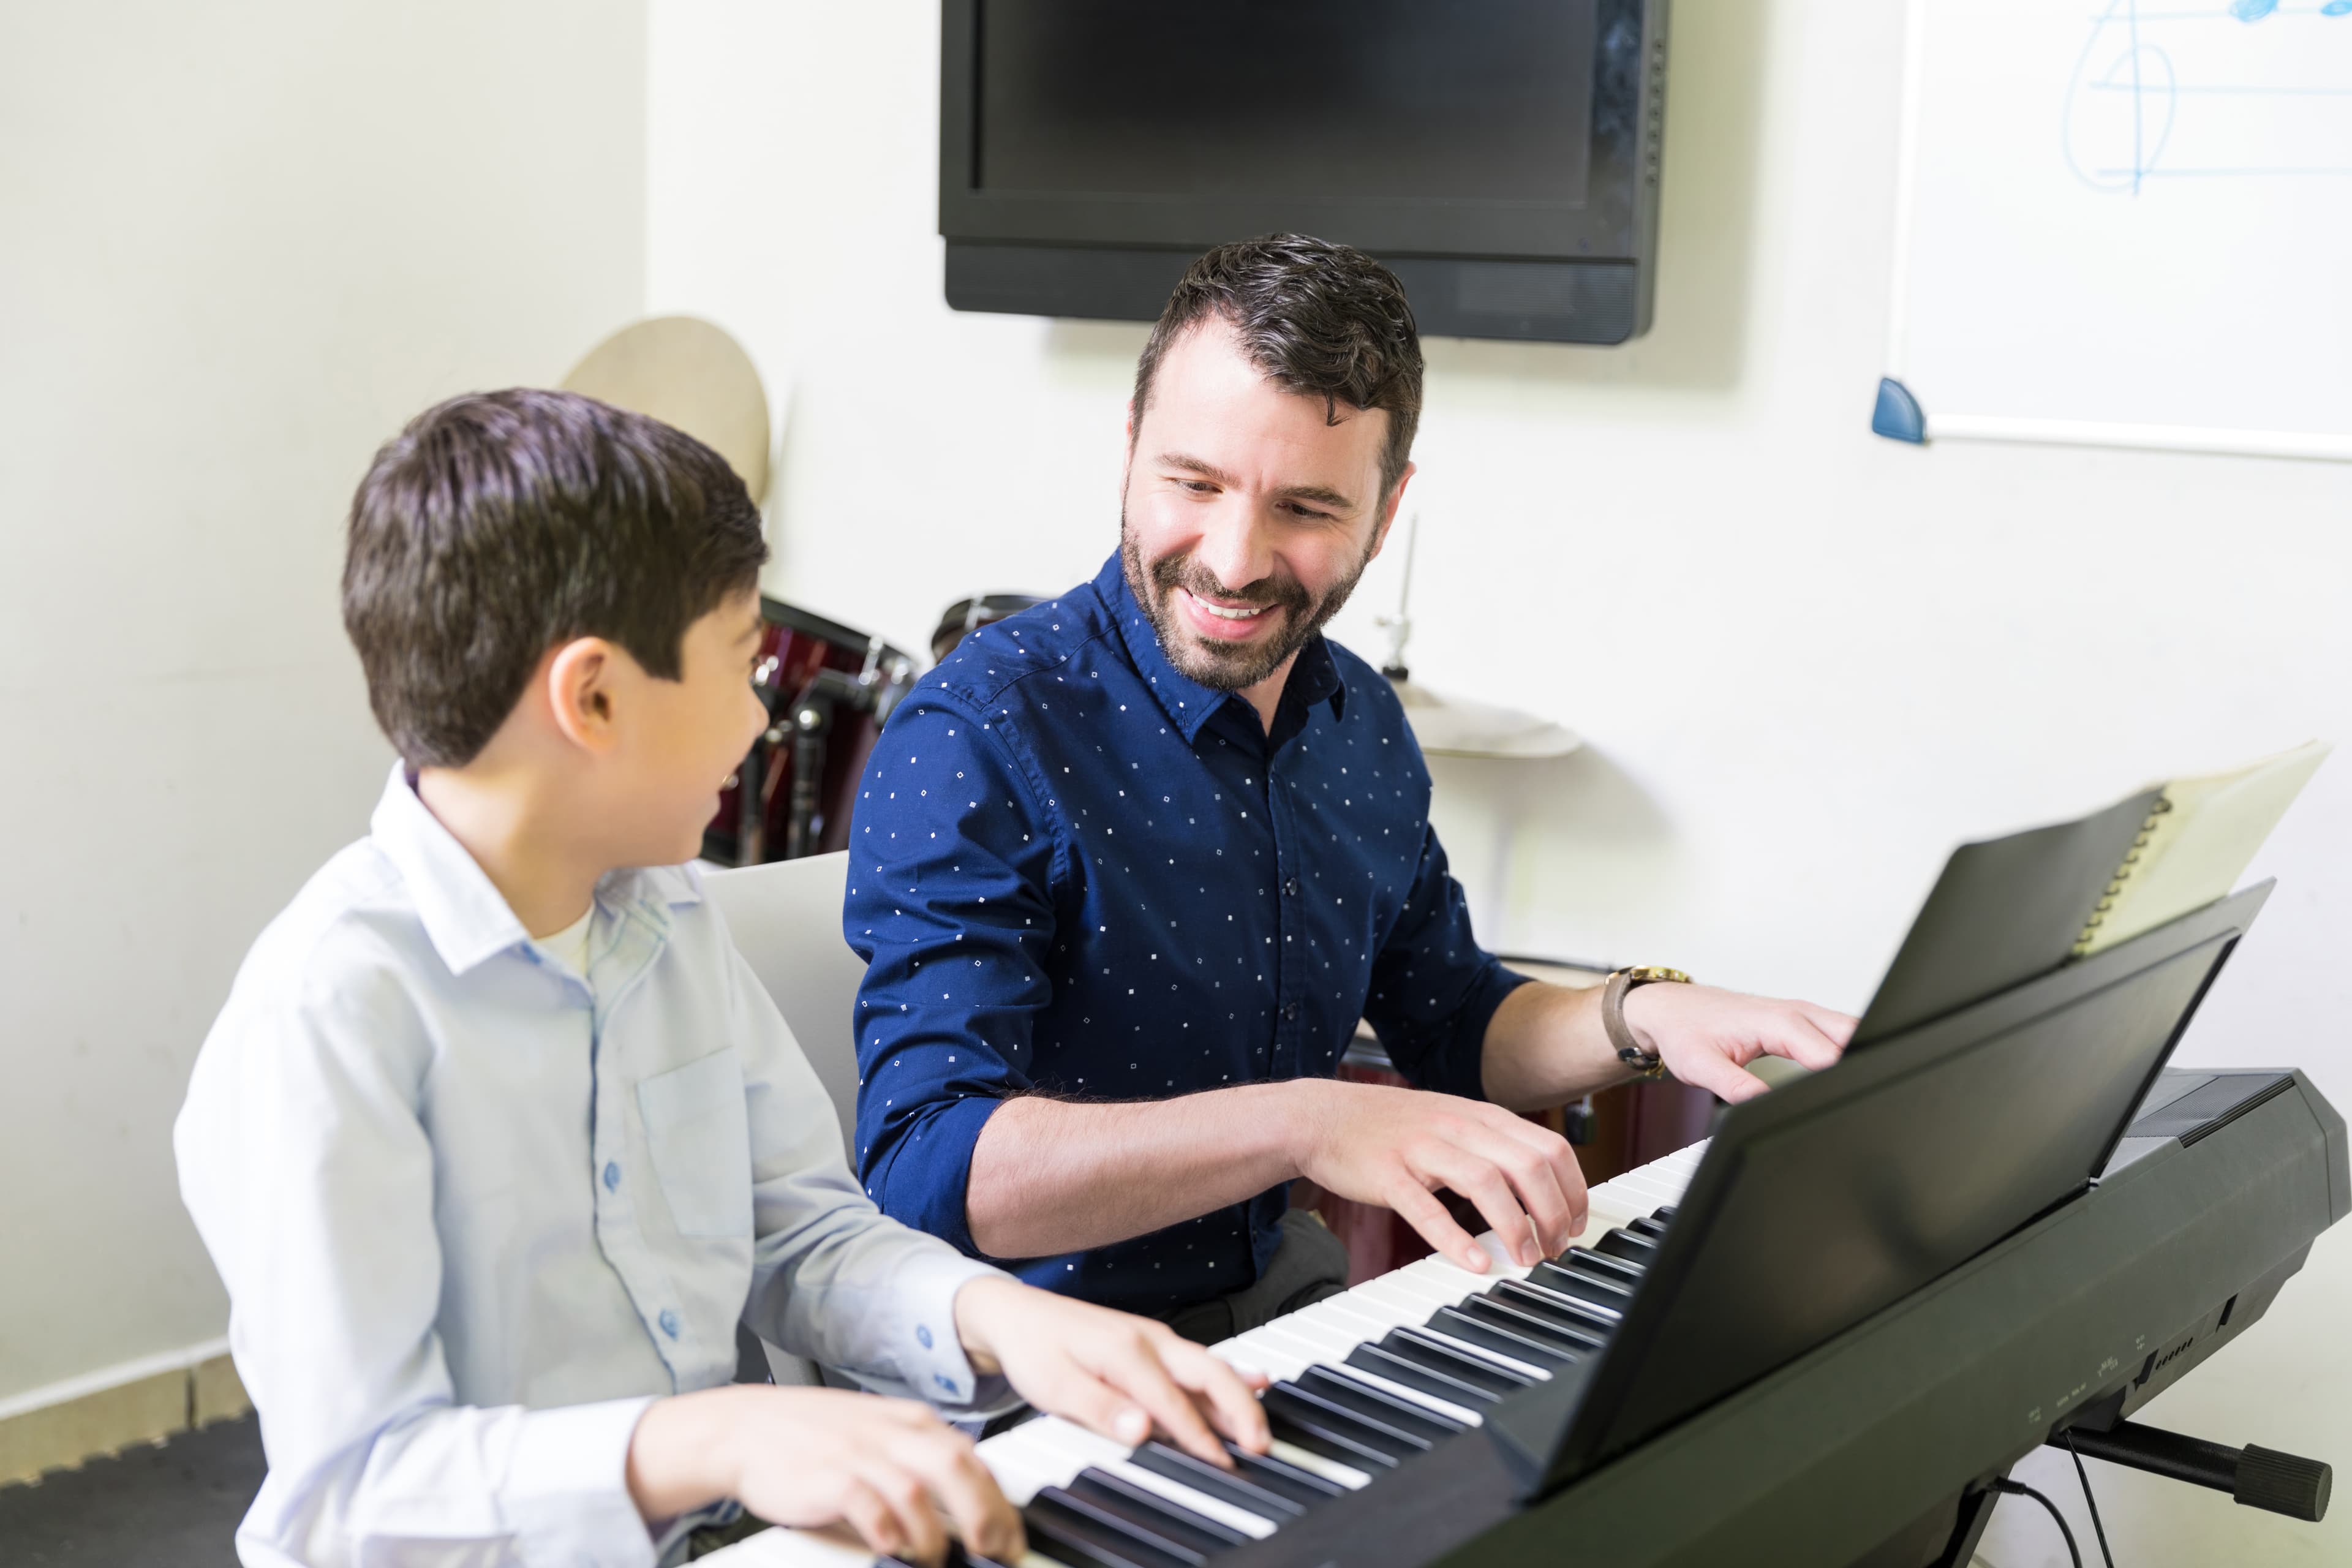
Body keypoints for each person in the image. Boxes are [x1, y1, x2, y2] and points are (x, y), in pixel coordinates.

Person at [173, 390, 1267, 1568]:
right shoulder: (331, 1013)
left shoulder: (675, 917)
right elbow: (356, 1493)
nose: (757, 722)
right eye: (742, 666)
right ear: (594, 697)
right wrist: (719, 1439)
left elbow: (803, 1236)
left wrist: (1006, 1320)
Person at [843, 235, 1856, 1343]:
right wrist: (1305, 1126)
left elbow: (1458, 1022)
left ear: (1387, 507)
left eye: (1306, 509)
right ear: (1130, 447)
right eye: (1194, 483)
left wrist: (1641, 1012)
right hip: (1037, 1364)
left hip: (1284, 1324)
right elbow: (929, 1168)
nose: (1234, 559)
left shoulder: (1359, 720)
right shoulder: (978, 733)